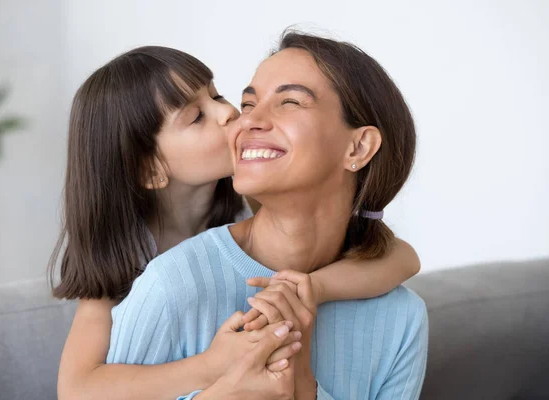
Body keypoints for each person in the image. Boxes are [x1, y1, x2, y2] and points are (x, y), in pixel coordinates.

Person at [105, 31, 428, 399]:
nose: (246, 121)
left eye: (289, 101)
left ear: (358, 146)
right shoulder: (171, 287)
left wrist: (302, 384)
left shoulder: (401, 319)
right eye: (248, 104)